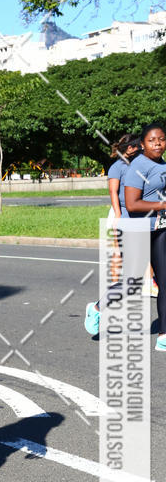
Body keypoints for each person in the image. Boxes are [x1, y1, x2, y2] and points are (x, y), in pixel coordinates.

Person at [84, 134, 141, 336]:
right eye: (136, 146)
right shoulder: (117, 167)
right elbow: (113, 193)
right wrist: (117, 215)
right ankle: (97, 308)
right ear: (128, 148)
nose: (140, 148)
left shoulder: (145, 163)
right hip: (126, 220)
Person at [123, 122, 166, 351]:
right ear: (142, 144)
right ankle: (98, 309)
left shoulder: (162, 164)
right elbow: (131, 204)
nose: (157, 143)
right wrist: (163, 204)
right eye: (152, 140)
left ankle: (163, 336)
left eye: (161, 139)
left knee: (164, 281)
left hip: (160, 228)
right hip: (138, 229)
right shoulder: (138, 167)